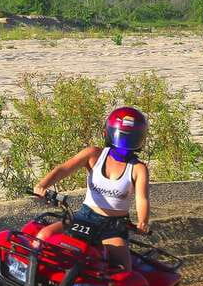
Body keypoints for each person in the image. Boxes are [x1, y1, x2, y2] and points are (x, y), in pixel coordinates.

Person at [32, 107, 150, 271]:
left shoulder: (138, 168)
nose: (124, 142)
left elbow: (142, 198)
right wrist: (42, 185)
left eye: (131, 138)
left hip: (113, 226)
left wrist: (143, 221)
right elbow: (64, 169)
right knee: (44, 236)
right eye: (121, 136)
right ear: (107, 133)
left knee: (124, 270)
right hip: (85, 217)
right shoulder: (94, 154)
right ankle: (32, 278)